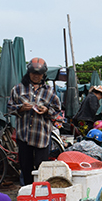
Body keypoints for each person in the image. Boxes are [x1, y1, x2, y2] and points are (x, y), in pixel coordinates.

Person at [8, 57, 62, 186]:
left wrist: (46, 110)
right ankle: (27, 191)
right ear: (29, 73)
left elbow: (57, 110)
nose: (36, 76)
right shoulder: (18, 89)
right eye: (33, 73)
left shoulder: (49, 91)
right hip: (24, 134)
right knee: (25, 167)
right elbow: (10, 108)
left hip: (41, 135)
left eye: (39, 74)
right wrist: (21, 108)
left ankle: (41, 191)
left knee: (41, 167)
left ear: (43, 75)